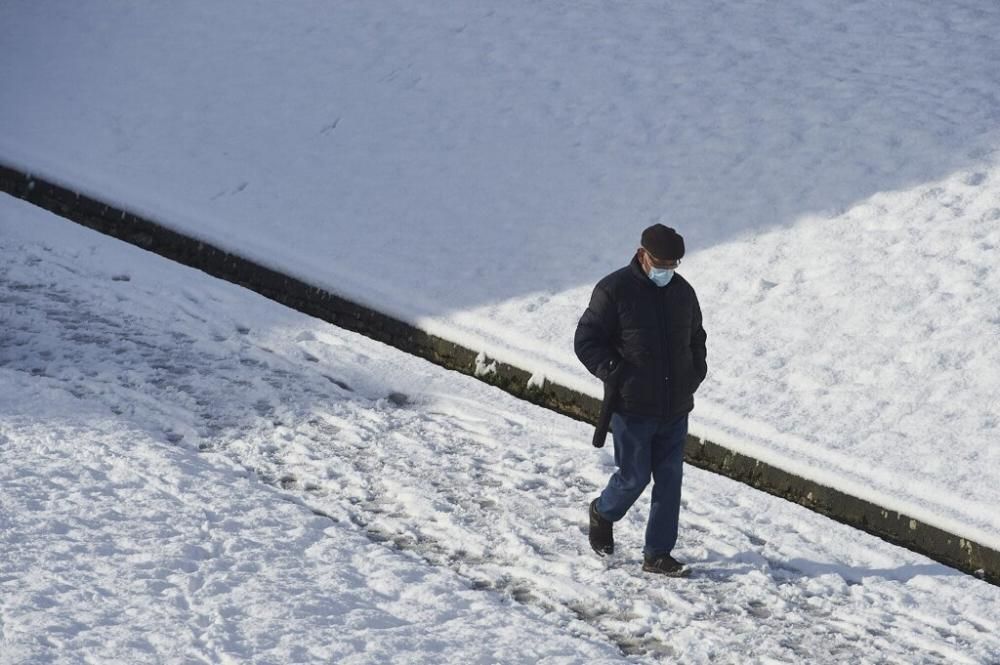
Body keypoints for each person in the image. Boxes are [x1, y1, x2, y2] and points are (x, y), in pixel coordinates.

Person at [574, 224, 707, 576]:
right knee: (634, 477)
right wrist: (614, 371)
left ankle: (657, 555)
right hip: (632, 408)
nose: (667, 270)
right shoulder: (613, 290)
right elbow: (586, 340)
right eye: (661, 262)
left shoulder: (683, 293)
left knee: (670, 479)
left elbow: (697, 336)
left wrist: (695, 372)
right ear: (641, 254)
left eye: (673, 264)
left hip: (676, 408)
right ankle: (603, 511)